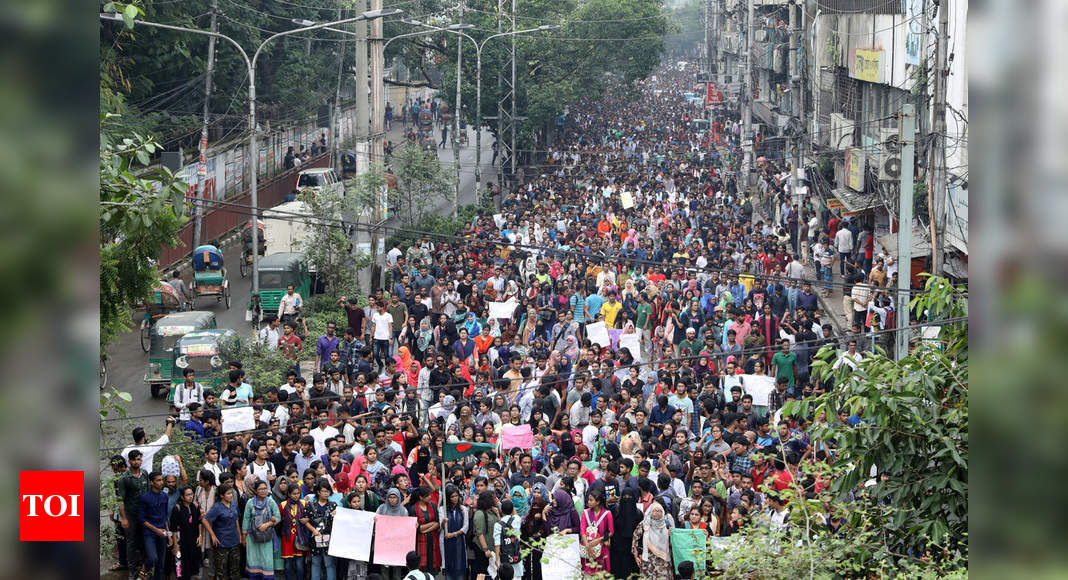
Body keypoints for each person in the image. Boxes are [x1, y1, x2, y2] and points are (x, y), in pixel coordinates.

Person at [242, 479, 281, 580]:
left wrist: (268, 524)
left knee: (266, 559)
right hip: (252, 536)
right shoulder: (250, 503)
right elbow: (246, 519)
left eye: (265, 489)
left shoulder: (270, 501)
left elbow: (278, 517)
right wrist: (243, 536)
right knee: (253, 559)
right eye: (260, 489)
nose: (263, 491)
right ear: (255, 491)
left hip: (266, 536)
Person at [203, 483, 242, 580]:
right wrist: (213, 535)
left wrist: (240, 535)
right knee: (221, 571)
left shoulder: (233, 504)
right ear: (221, 496)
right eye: (228, 493)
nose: (231, 495)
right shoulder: (217, 507)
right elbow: (205, 520)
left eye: (231, 493)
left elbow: (236, 519)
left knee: (235, 569)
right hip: (222, 542)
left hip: (234, 541)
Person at [168, 485, 203, 580]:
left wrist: (200, 536)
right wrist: (175, 545)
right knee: (181, 569)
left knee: (194, 568)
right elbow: (173, 529)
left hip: (193, 542)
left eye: (191, 494)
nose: (190, 496)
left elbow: (199, 522)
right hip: (181, 543)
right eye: (188, 495)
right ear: (182, 497)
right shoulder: (177, 508)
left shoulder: (195, 506)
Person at [632, 501, 673, 580]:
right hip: (648, 560)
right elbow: (635, 537)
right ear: (650, 512)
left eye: (659, 511)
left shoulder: (666, 524)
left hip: (663, 560)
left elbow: (672, 542)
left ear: (663, 512)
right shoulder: (644, 523)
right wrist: (636, 555)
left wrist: (670, 535)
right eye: (655, 510)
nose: (657, 513)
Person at [580, 489, 614, 575]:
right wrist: (587, 545)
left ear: (598, 502)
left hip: (601, 547)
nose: (588, 502)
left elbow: (611, 532)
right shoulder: (585, 513)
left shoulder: (607, 514)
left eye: (591, 500)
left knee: (600, 573)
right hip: (587, 547)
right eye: (588, 500)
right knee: (588, 572)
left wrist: (599, 540)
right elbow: (582, 530)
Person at [441, 484, 468, 580]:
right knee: (449, 564)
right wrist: (443, 523)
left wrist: (454, 534)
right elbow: (441, 528)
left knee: (459, 563)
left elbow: (465, 527)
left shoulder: (463, 509)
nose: (455, 498)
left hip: (459, 541)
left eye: (456, 496)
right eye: (452, 496)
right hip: (447, 542)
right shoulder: (442, 510)